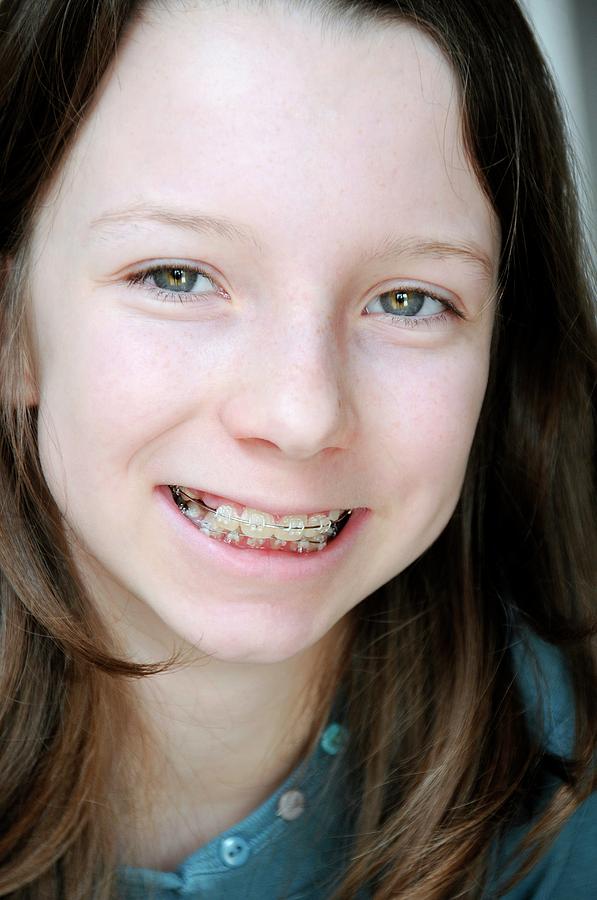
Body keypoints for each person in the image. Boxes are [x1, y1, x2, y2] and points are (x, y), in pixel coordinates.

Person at [0, 0, 595, 897]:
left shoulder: (569, 803)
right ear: (13, 330)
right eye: (177, 276)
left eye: (407, 300)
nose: (301, 413)